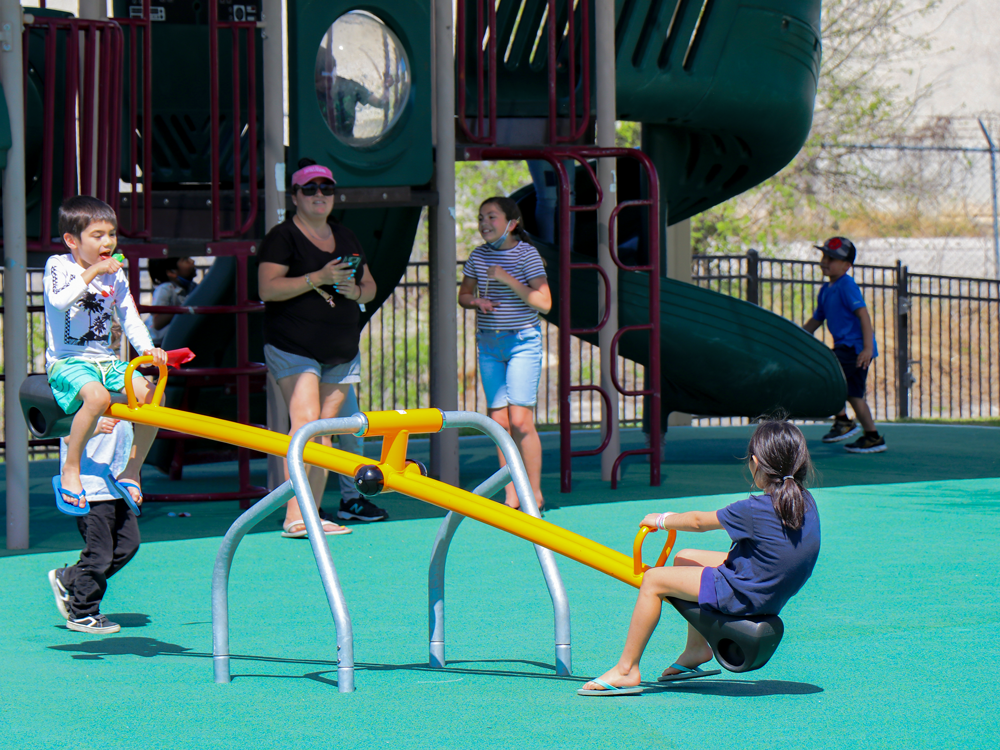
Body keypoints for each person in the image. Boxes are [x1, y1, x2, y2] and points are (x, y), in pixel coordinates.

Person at [578, 420, 821, 696]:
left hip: (746, 593)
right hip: (770, 586)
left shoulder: (755, 508)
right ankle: (695, 650)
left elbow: (697, 522)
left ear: (755, 462)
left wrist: (662, 520)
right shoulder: (804, 501)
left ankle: (626, 669)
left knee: (653, 580)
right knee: (685, 557)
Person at [257, 158, 387, 538]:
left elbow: (370, 285)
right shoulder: (282, 237)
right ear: (295, 196)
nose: (319, 195)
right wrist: (319, 278)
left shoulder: (345, 236)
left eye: (326, 189)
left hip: (342, 349)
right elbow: (267, 289)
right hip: (293, 345)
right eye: (310, 189)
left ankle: (310, 514)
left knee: (324, 432)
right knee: (306, 424)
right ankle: (295, 515)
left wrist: (354, 290)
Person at [44, 195, 167, 516]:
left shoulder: (116, 276)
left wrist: (148, 350)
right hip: (68, 361)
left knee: (153, 399)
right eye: (97, 235)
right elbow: (59, 301)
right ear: (72, 240)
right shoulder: (59, 266)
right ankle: (71, 469)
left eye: (111, 234)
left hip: (106, 362)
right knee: (97, 398)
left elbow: (130, 319)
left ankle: (132, 470)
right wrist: (95, 270)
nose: (108, 242)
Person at [458, 196, 552, 512]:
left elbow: (544, 303)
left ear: (511, 224)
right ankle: (511, 495)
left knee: (521, 421)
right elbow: (464, 295)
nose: (484, 223)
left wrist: (507, 279)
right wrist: (476, 302)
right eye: (481, 217)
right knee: (499, 422)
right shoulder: (477, 256)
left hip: (522, 343)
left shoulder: (527, 255)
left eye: (492, 217)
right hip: (489, 344)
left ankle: (534, 494)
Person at [47, 416, 137, 635]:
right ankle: (82, 612)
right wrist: (94, 428)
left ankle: (69, 577)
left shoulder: (122, 396)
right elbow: (66, 436)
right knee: (99, 555)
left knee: (127, 545)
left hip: (115, 485)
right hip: (90, 488)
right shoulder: (83, 395)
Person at [803, 237, 886, 453]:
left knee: (826, 376)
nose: (825, 262)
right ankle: (872, 436)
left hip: (854, 349)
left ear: (846, 265)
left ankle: (844, 422)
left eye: (831, 259)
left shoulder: (846, 285)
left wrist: (867, 348)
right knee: (853, 395)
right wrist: (798, 336)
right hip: (847, 348)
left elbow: (863, 315)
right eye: (824, 257)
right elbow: (816, 319)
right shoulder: (826, 290)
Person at [145, 256, 198, 346]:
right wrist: (182, 308)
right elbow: (157, 322)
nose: (192, 261)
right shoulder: (165, 288)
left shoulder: (192, 287)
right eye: (185, 259)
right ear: (171, 272)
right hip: (159, 343)